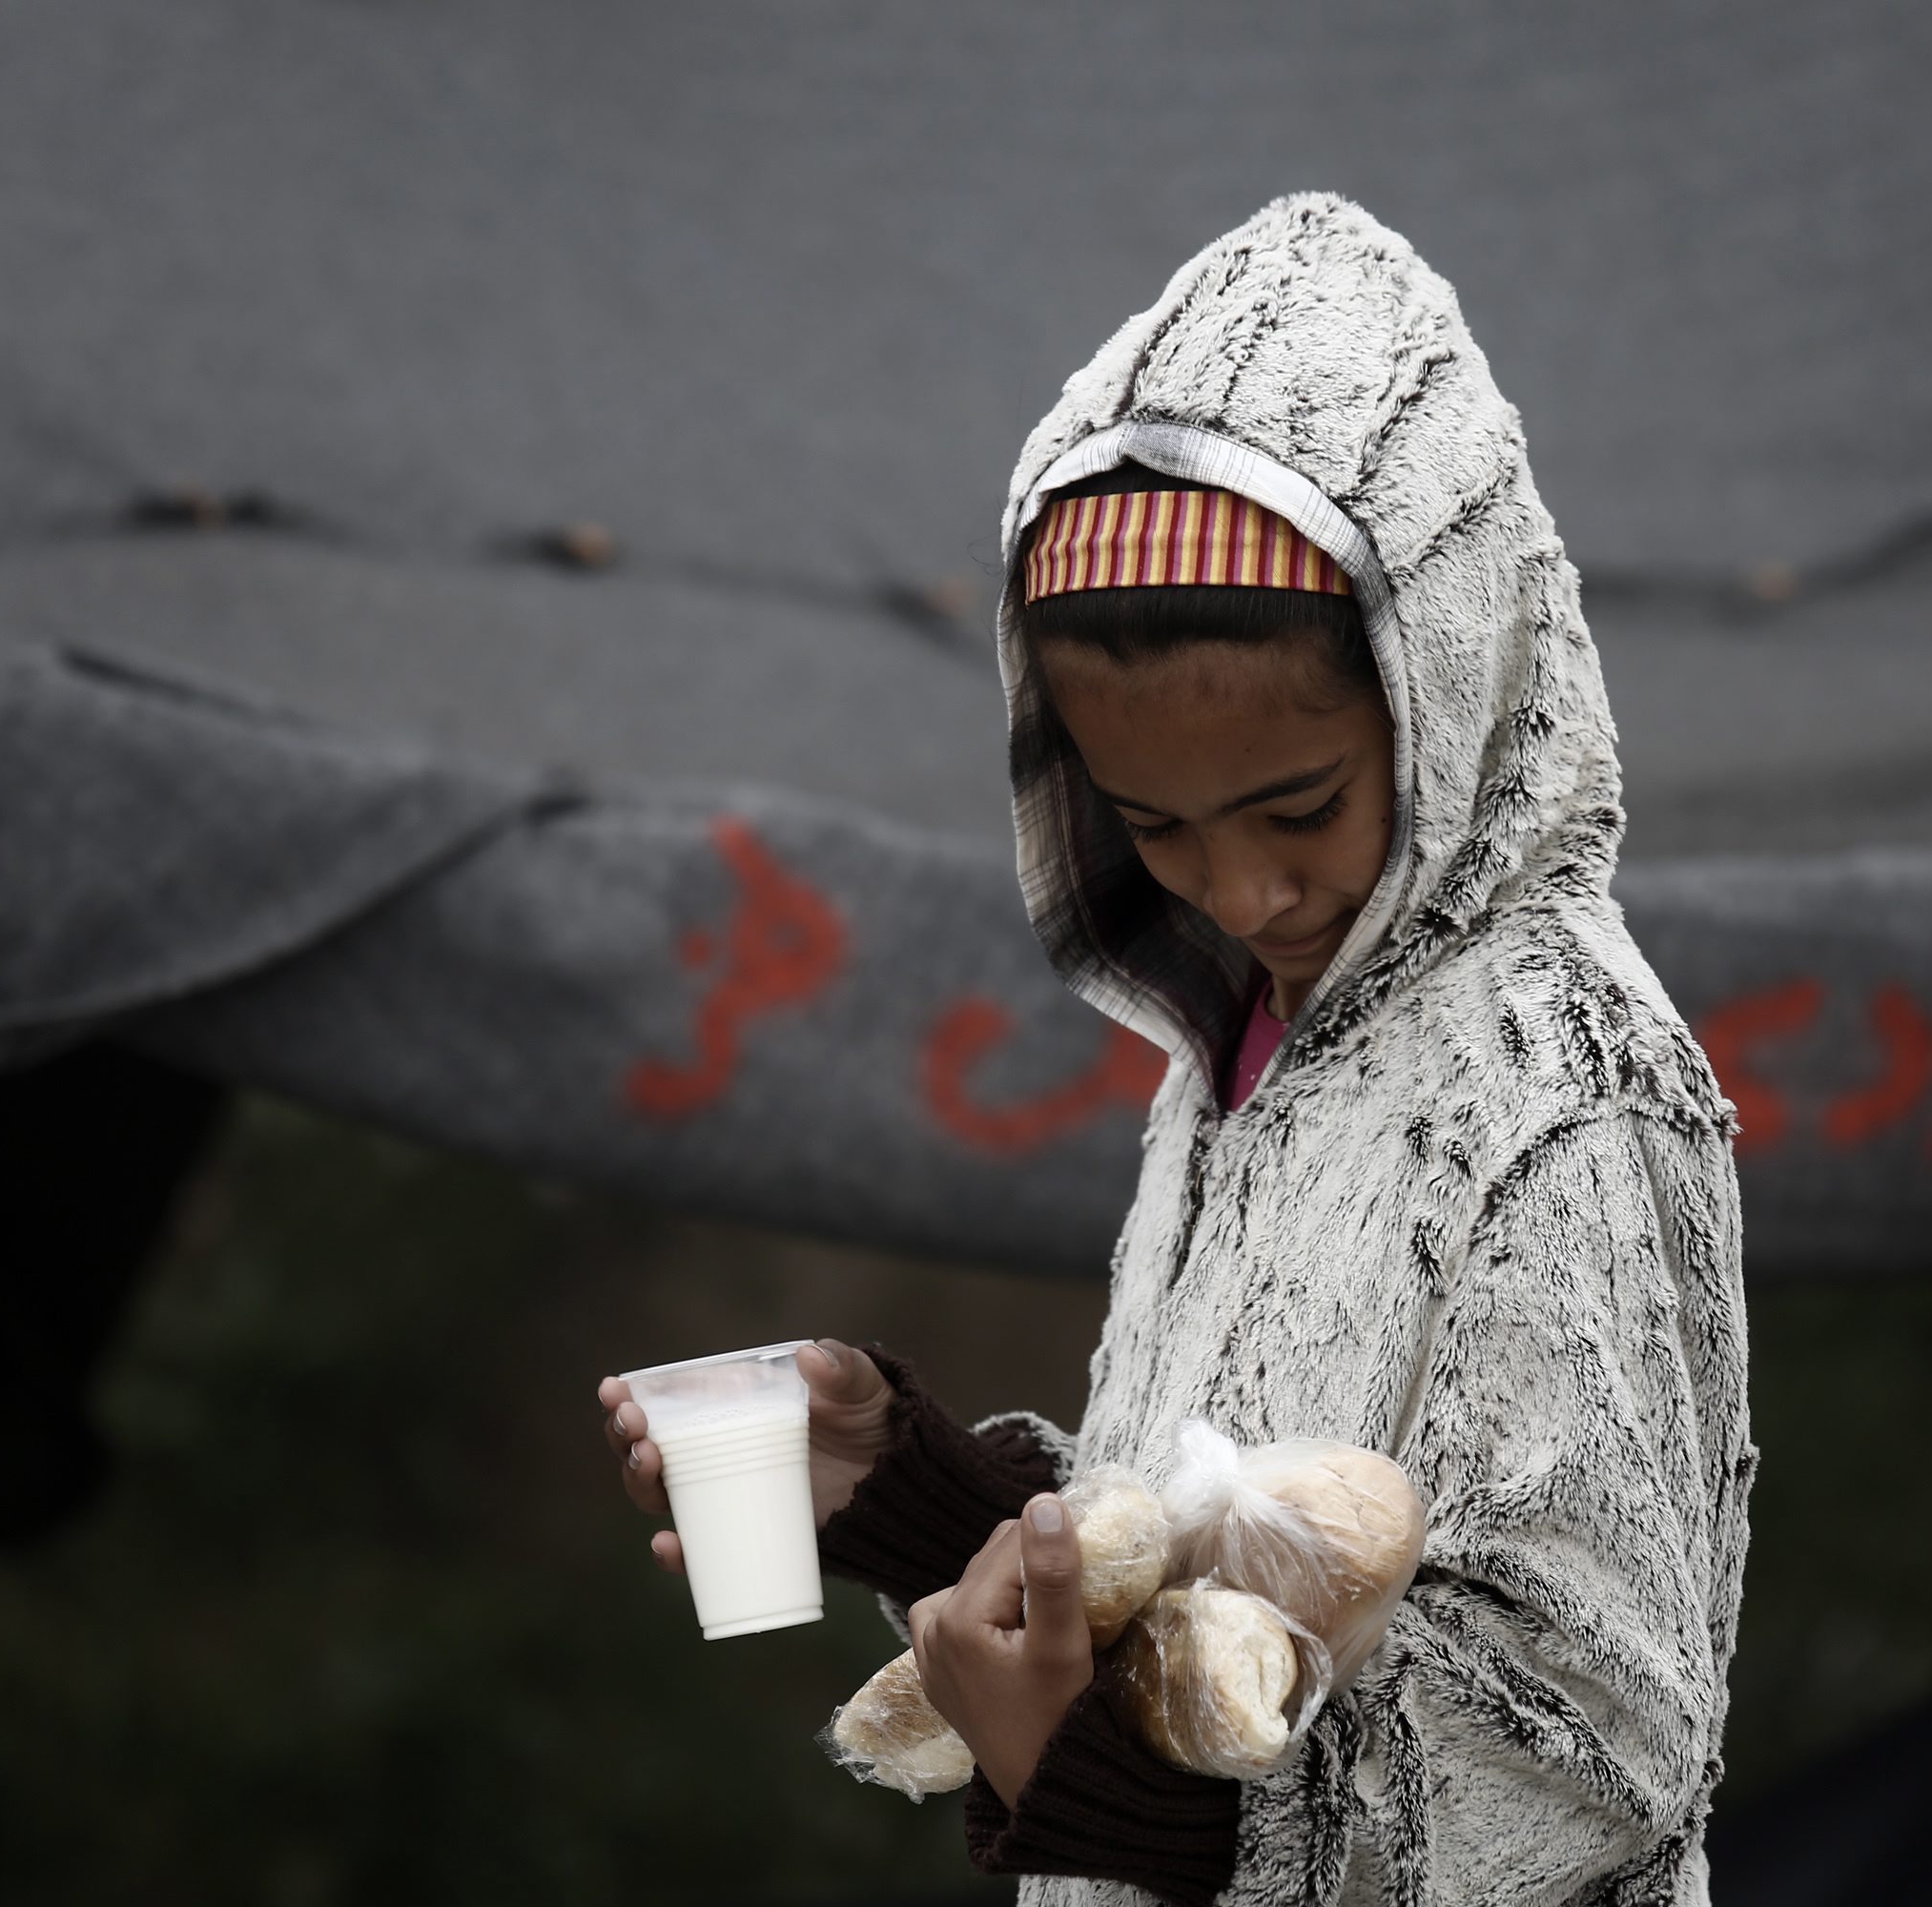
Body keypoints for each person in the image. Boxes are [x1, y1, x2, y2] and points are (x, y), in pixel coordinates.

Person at [599, 193, 1753, 1905]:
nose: (1242, 890)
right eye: (1157, 826)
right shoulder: (1256, 1044)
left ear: (1449, 683)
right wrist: (920, 1497)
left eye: (1300, 806)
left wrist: (1119, 1788)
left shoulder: (1565, 1089)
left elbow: (1586, 1746)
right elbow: (1232, 1556)